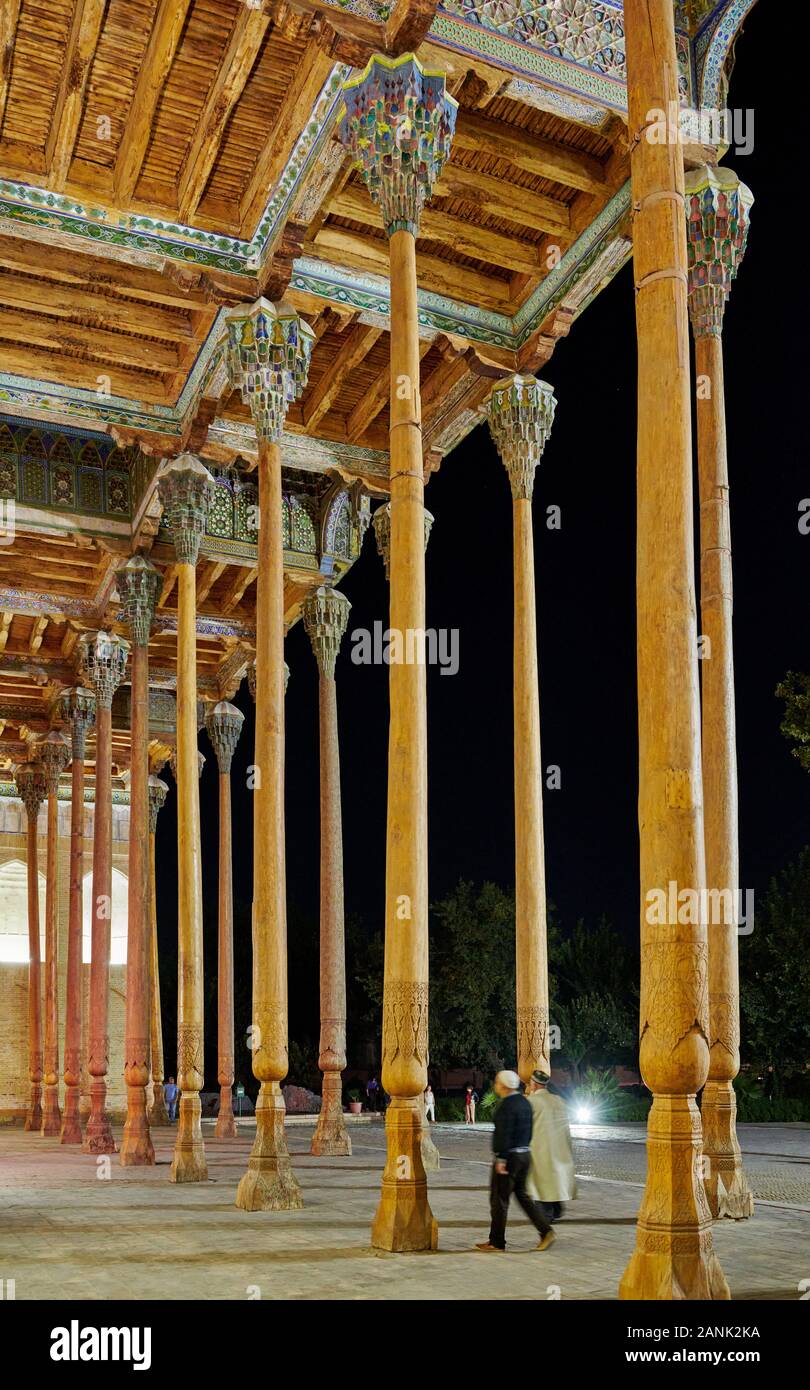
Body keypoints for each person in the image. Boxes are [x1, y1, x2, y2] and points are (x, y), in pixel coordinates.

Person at [476, 1071, 554, 1253]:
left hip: (509, 1158)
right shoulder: (524, 1102)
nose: (495, 1085)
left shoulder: (506, 1105)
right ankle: (546, 1231)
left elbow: (504, 1134)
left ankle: (496, 1242)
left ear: (503, 1085)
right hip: (524, 1155)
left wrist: (501, 1158)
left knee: (499, 1200)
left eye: (497, 1082)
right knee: (523, 1197)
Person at [525, 1070, 577, 1222]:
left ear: (534, 1084)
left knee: (541, 1182)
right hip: (559, 1147)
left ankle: (546, 1215)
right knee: (554, 1179)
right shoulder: (559, 1100)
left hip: (540, 1148)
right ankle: (556, 1208)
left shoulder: (532, 1102)